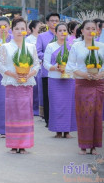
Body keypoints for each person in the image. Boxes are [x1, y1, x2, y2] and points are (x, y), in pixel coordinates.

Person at [0, 17, 40, 154]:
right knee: (13, 114)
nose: (20, 31)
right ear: (11, 30)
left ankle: (24, 145)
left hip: (26, 85)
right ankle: (13, 144)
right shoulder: (5, 47)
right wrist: (13, 75)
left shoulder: (30, 47)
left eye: (22, 28)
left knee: (25, 114)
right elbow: (0, 65)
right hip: (12, 85)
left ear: (26, 31)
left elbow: (37, 65)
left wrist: (29, 74)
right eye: (17, 28)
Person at [66, 20, 104, 155]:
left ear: (97, 31)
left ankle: (94, 146)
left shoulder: (102, 46)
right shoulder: (77, 46)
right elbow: (70, 66)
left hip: (98, 83)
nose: (90, 31)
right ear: (82, 31)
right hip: (82, 83)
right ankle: (83, 145)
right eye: (87, 28)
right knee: (84, 114)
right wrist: (83, 74)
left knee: (97, 115)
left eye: (93, 28)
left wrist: (100, 74)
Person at [44, 23, 76, 139]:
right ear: (56, 33)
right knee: (56, 105)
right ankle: (57, 130)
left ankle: (67, 131)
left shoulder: (72, 46)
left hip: (69, 80)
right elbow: (46, 64)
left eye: (65, 30)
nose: (63, 32)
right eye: (60, 30)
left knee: (69, 105)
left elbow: (74, 63)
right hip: (54, 79)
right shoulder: (51, 46)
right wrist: (55, 68)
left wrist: (68, 68)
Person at [36, 12, 60, 127]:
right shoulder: (42, 36)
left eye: (56, 21)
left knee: (59, 96)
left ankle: (59, 119)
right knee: (48, 96)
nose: (54, 23)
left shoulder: (64, 36)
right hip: (47, 71)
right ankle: (48, 119)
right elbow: (38, 51)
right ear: (47, 22)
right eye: (52, 20)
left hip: (62, 72)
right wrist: (48, 58)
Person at [26, 20, 42, 116]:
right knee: (34, 89)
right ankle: (33, 108)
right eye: (39, 27)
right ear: (33, 28)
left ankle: (39, 108)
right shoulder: (29, 39)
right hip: (32, 66)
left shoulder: (42, 37)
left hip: (41, 65)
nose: (41, 28)